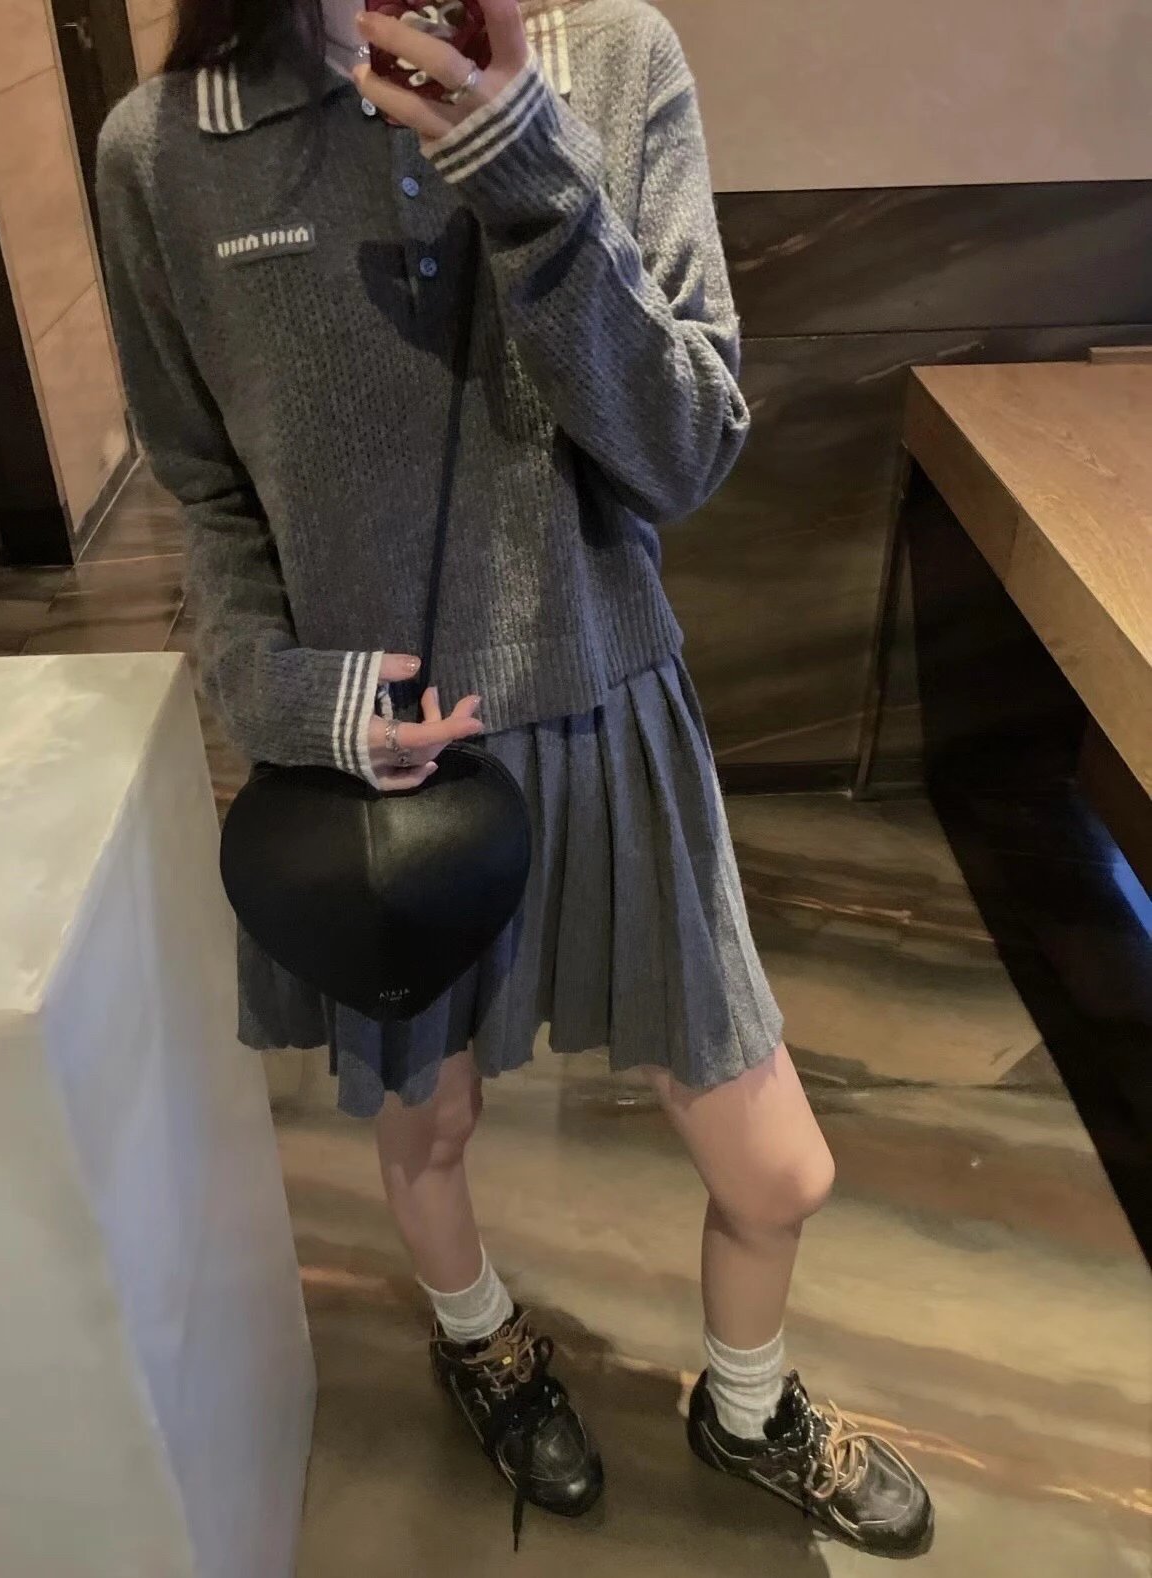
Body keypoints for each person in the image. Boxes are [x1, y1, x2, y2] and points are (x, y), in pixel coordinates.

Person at [98, 0, 933, 1556]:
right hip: (381, 775)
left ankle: (745, 1403)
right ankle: (480, 1337)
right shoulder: (166, 148)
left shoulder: (612, 62)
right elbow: (207, 493)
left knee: (778, 1169)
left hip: (611, 720)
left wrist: (520, 161)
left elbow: (687, 448)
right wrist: (293, 699)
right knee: (427, 1129)